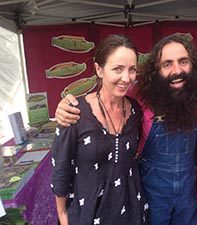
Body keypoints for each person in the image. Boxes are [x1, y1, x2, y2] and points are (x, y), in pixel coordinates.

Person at [55, 34, 197, 225]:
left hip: (191, 195)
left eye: (183, 62)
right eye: (167, 64)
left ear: (193, 65)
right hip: (152, 193)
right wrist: (66, 105)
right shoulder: (140, 99)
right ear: (156, 69)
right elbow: (110, 95)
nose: (177, 70)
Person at [51, 34, 148, 225]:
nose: (126, 78)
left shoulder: (135, 110)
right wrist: (63, 217)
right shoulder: (75, 112)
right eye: (118, 69)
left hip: (130, 212)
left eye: (132, 69)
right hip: (88, 213)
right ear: (99, 69)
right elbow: (61, 169)